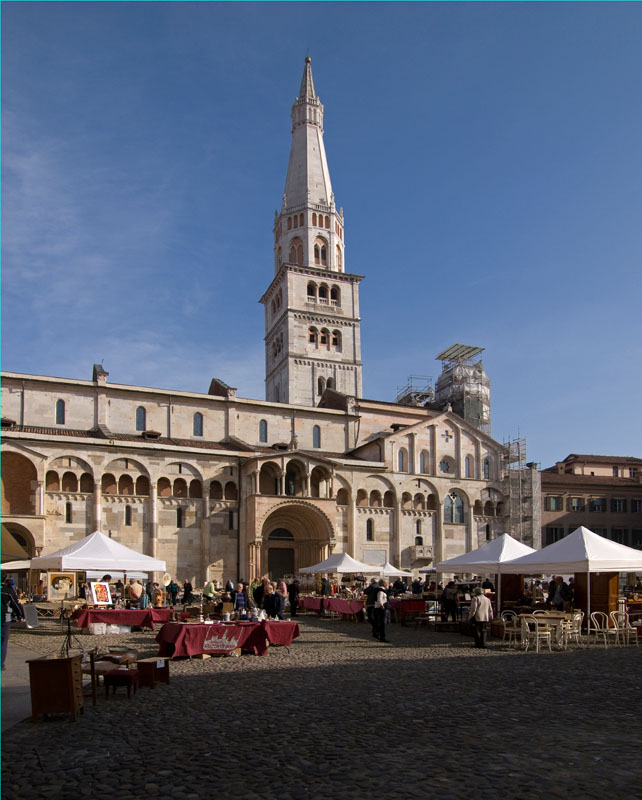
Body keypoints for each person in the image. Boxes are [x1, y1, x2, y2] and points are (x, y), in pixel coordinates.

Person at [2, 578, 24, 670]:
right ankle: (0, 664)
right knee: (3, 642)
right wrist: (20, 615)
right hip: (4, 618)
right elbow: (15, 604)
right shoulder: (8, 591)